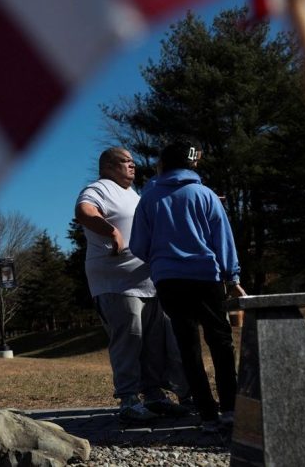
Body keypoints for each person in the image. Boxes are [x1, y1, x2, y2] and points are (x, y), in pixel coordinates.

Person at [131, 141, 246, 433]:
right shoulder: (205, 195)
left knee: (188, 346)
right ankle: (231, 410)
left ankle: (207, 415)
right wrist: (232, 277)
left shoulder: (148, 198)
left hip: (169, 280)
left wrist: (161, 260)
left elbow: (137, 246)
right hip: (205, 276)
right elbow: (224, 240)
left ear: (163, 164)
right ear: (192, 164)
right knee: (220, 342)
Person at [75, 147, 190, 423]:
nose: (133, 166)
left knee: (152, 341)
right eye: (126, 162)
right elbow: (84, 211)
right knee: (129, 339)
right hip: (116, 281)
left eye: (133, 162)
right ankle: (128, 399)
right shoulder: (98, 188)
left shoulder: (134, 194)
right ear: (108, 166)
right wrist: (111, 230)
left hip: (146, 281)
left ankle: (153, 396)